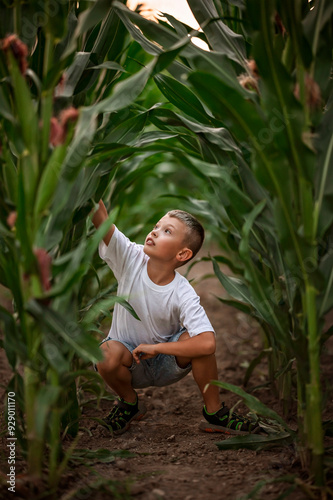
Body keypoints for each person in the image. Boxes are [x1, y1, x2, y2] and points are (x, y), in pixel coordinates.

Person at [92, 200, 259, 436]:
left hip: (166, 363)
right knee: (104, 352)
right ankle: (129, 403)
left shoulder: (182, 291)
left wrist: (158, 348)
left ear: (183, 253)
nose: (154, 232)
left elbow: (208, 342)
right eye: (157, 226)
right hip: (129, 362)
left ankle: (215, 412)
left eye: (166, 231)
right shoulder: (130, 258)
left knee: (197, 339)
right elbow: (100, 217)